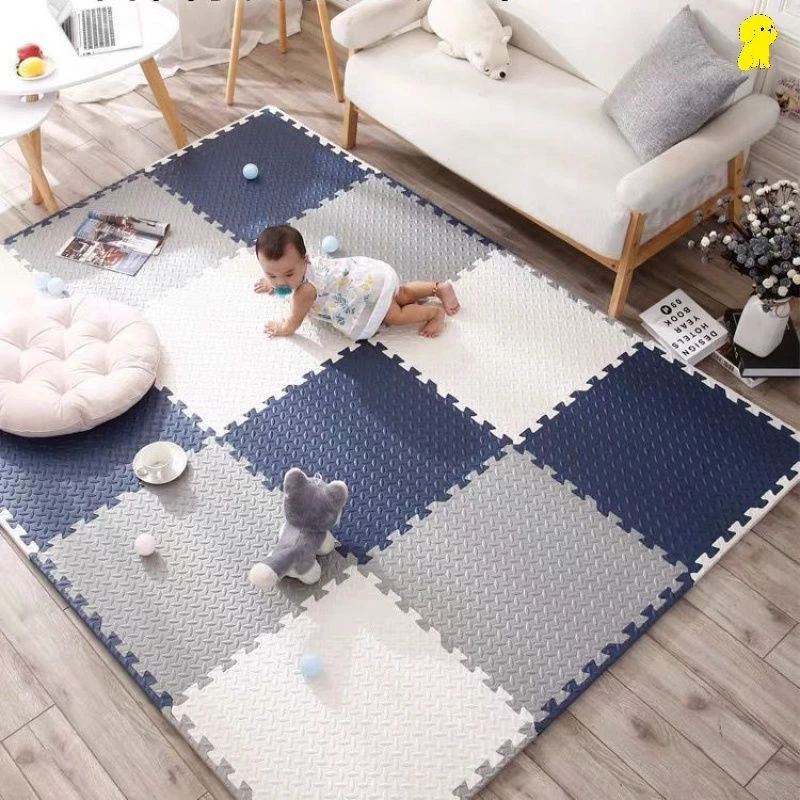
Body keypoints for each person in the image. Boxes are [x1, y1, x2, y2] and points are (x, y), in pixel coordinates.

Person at [253, 225, 460, 340]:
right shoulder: (302, 265)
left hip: (363, 296)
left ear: (305, 259)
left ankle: (433, 313)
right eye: (272, 275)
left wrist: (282, 328)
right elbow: (281, 274)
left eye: (288, 274)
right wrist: (273, 283)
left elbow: (294, 321)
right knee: (401, 293)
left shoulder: (304, 292)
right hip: (367, 278)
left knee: (395, 314)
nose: (281, 282)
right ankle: (438, 287)